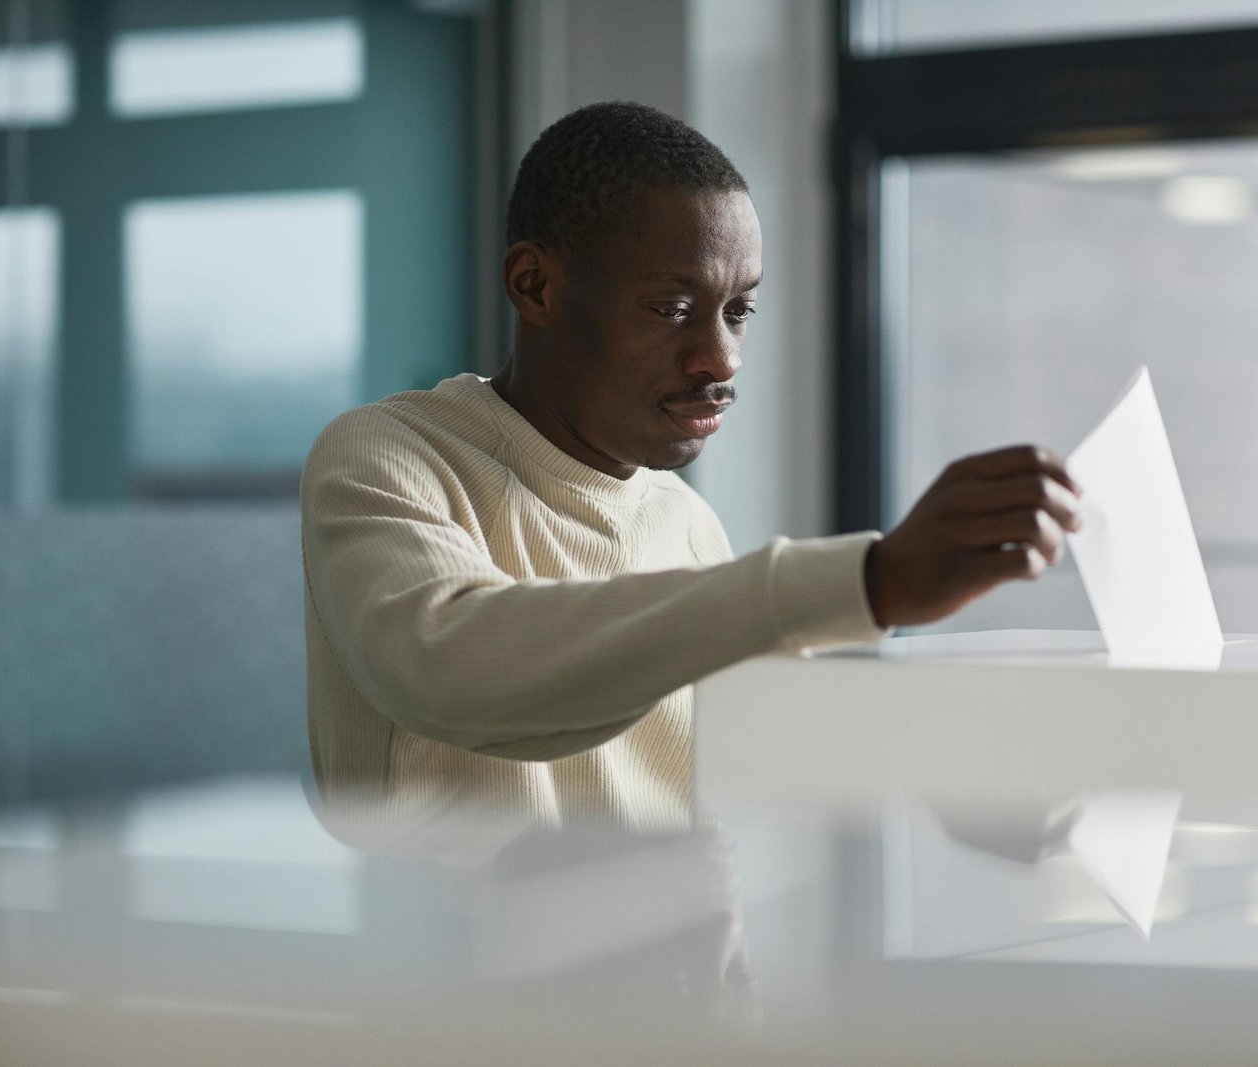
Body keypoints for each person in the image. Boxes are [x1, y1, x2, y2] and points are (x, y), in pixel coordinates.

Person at [300, 101, 1081, 857]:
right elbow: (449, 663)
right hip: (447, 989)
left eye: (738, 311)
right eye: (673, 308)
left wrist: (962, 783)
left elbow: (784, 747)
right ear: (536, 286)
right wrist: (870, 578)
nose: (722, 359)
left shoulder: (683, 521)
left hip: (679, 981)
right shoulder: (390, 456)